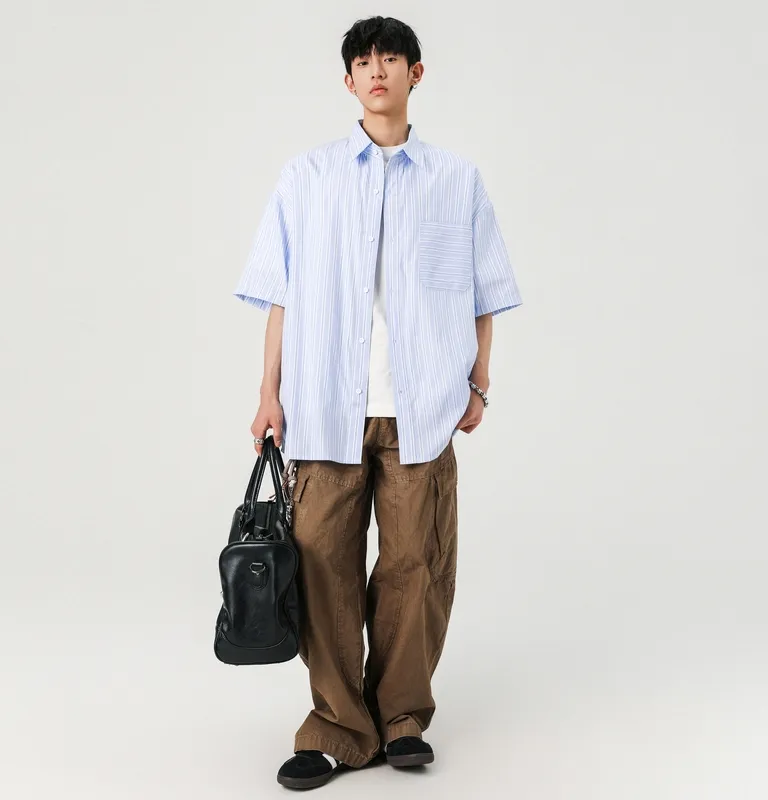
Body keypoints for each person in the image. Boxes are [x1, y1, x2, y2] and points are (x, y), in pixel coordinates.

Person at [233, 15, 522, 790]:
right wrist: (268, 391)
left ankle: (400, 717)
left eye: (390, 58)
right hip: (323, 404)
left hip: (422, 410)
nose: (377, 70)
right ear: (348, 80)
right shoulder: (308, 176)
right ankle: (336, 727)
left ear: (415, 73)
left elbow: (484, 292)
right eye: (363, 61)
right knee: (320, 564)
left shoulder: (456, 180)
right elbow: (280, 293)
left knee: (415, 567)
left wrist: (478, 380)